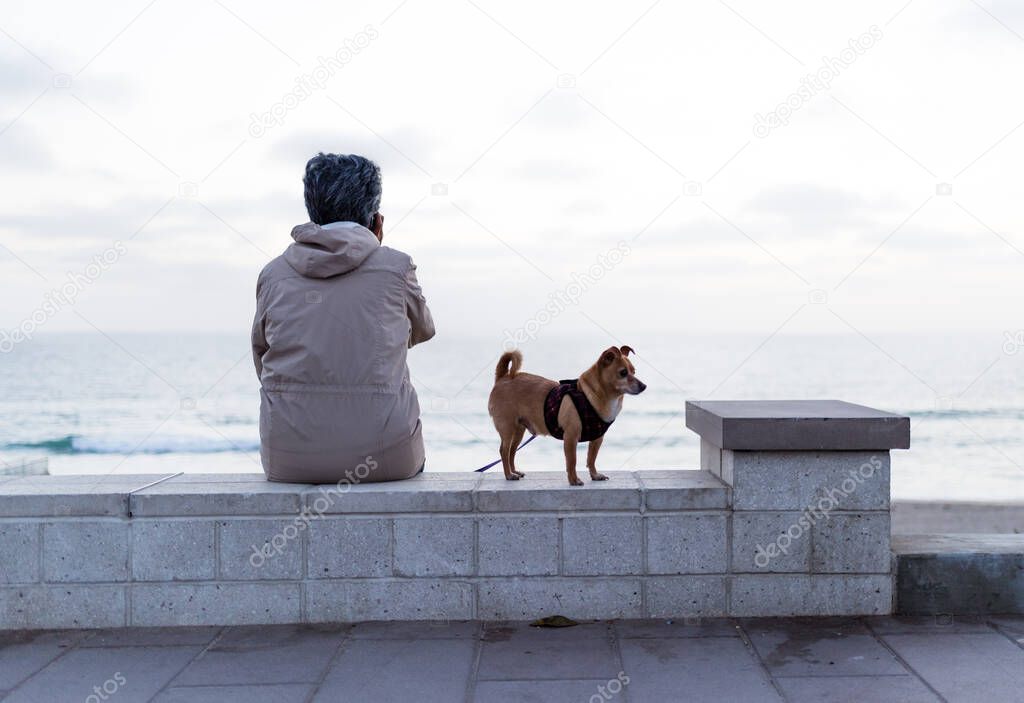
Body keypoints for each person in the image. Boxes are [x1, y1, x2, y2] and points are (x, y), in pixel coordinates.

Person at [251, 153, 435, 483]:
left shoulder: (273, 274)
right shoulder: (396, 268)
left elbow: (262, 356)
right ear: (377, 221)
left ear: (313, 212)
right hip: (387, 456)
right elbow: (423, 330)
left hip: (288, 461)